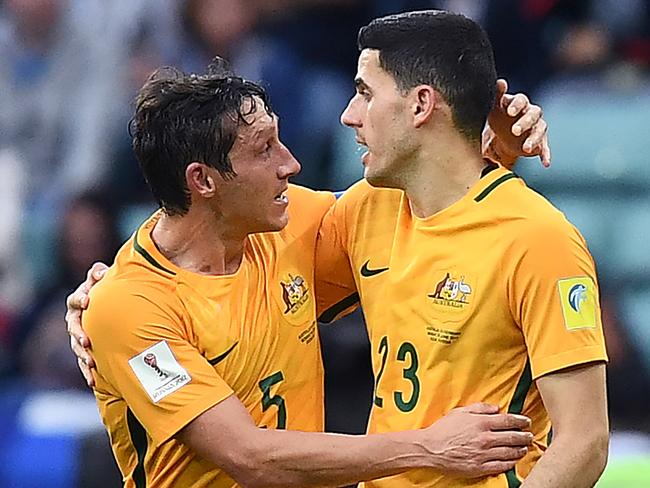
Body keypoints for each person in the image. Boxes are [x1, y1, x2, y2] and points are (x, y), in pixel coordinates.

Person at [66, 56, 550, 487]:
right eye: (264, 149)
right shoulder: (128, 306)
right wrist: (429, 446)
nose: (291, 164)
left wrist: (491, 150)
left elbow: (425, 203)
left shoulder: (286, 223)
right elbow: (249, 458)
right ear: (203, 180)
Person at [313, 10, 609, 488]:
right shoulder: (365, 208)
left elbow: (585, 443)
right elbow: (271, 290)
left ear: (421, 104)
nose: (350, 114)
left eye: (366, 92)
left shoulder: (537, 238)